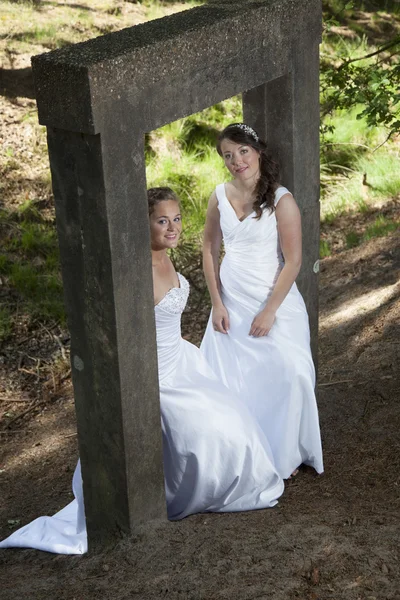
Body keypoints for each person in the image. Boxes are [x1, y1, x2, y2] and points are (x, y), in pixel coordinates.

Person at [0, 186, 284, 555]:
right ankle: (183, 492)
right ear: (144, 224)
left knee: (235, 415)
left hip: (181, 360)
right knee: (209, 428)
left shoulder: (166, 257)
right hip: (153, 374)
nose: (173, 227)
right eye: (162, 220)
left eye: (177, 218)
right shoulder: (136, 271)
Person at [201, 123, 324, 480]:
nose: (236, 160)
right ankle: (244, 450)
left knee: (292, 372)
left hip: (273, 299)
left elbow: (294, 260)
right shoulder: (218, 196)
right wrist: (216, 303)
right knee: (230, 380)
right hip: (230, 303)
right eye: (228, 154)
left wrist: (269, 311)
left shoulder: (281, 200)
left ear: (257, 152)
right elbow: (209, 248)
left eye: (242, 151)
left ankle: (289, 451)